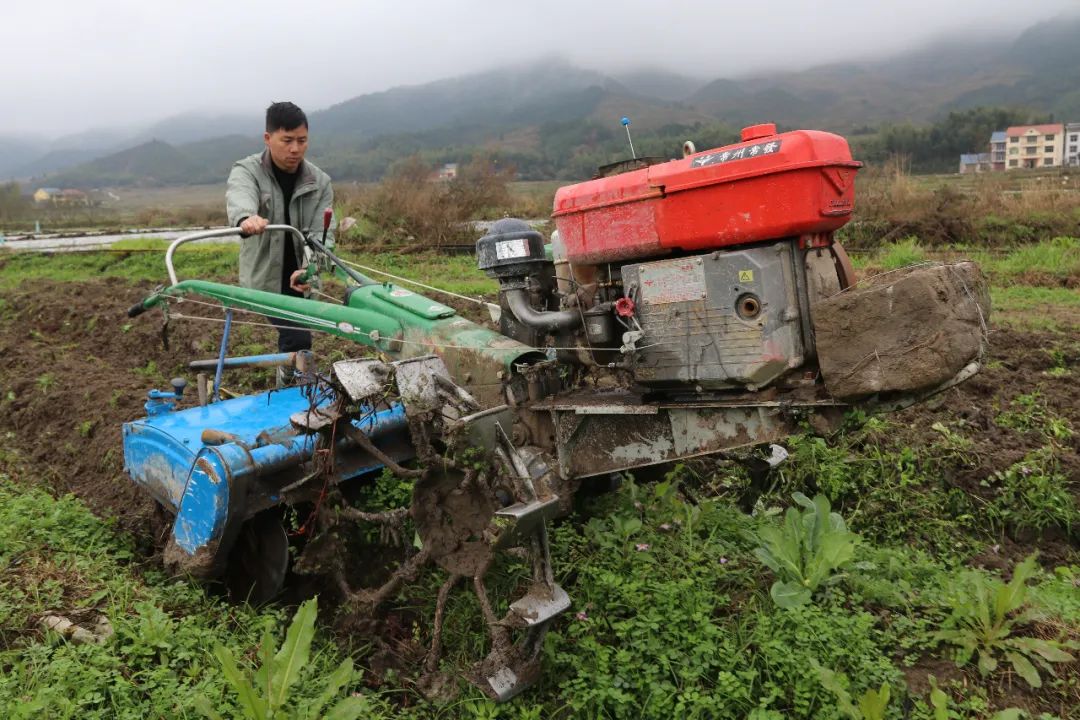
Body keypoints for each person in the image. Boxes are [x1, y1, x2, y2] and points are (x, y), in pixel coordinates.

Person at [225, 101, 334, 383]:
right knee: (298, 338)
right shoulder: (247, 170)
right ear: (268, 138)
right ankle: (298, 393)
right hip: (266, 280)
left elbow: (323, 236)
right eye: (287, 140)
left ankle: (287, 385)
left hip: (302, 278)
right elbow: (239, 196)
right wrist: (246, 218)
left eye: (302, 140)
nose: (295, 149)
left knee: (296, 339)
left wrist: (309, 270)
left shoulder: (319, 182)